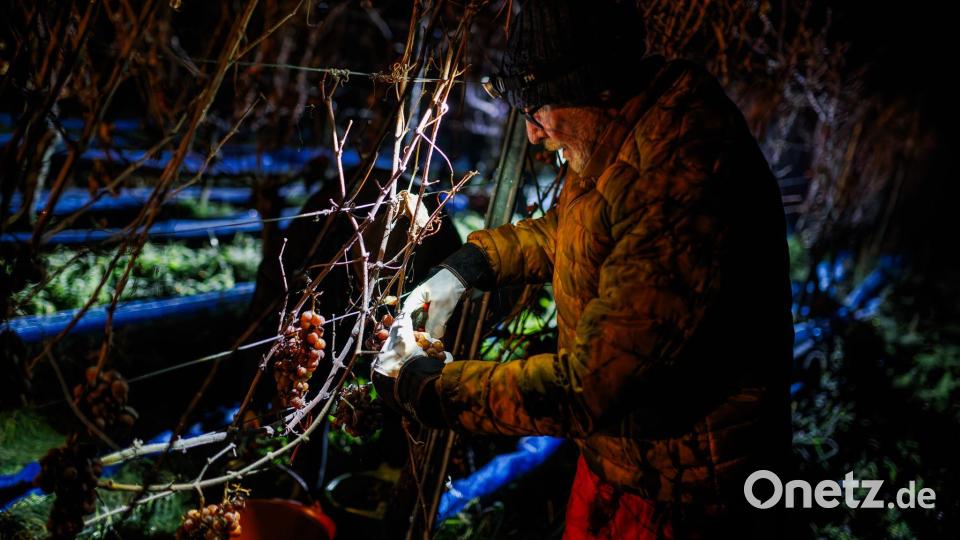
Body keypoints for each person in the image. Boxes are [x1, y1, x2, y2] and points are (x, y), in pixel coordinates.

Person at [373, 1, 795, 537]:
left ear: (592, 88)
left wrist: (428, 387)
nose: (532, 134)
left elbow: (591, 386)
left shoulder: (683, 180)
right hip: (621, 462)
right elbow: (576, 231)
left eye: (540, 109)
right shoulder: (628, 136)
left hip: (685, 498)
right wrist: (468, 266)